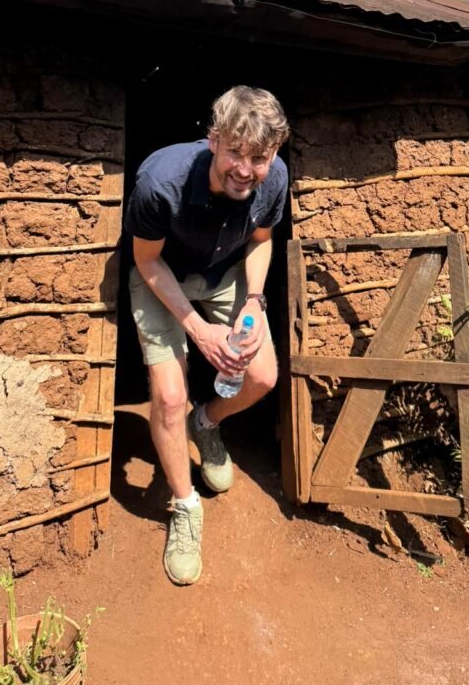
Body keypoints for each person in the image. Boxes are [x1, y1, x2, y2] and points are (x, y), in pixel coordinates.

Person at [124, 85, 290, 585]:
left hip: (224, 275)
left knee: (261, 376)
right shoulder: (161, 182)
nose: (245, 169)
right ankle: (184, 504)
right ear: (214, 140)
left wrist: (256, 302)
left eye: (259, 157)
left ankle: (208, 423)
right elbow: (146, 260)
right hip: (161, 276)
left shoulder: (274, 178)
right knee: (168, 397)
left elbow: (261, 241)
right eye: (235, 151)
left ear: (274, 154)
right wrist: (197, 330)